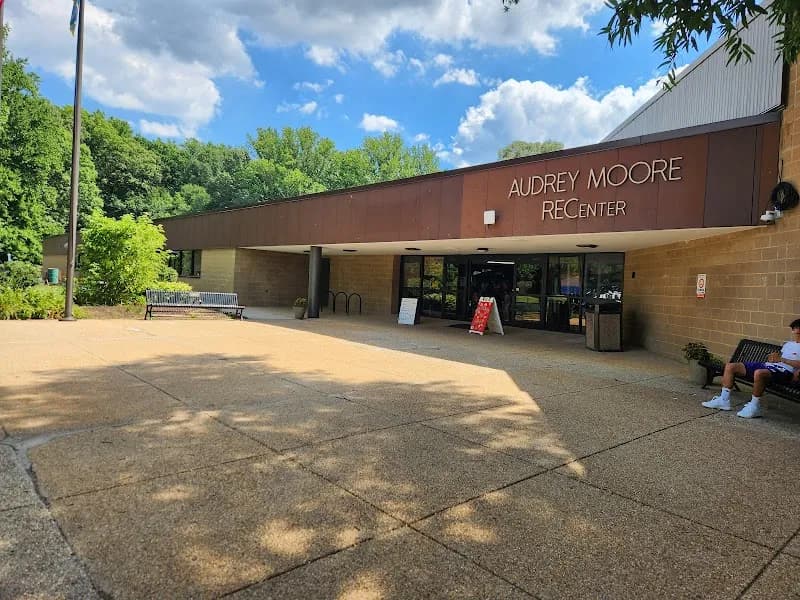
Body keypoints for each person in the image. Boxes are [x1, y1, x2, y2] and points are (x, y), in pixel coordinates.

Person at [702, 319, 800, 418]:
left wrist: (783, 360)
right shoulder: (788, 344)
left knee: (759, 373)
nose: (797, 330)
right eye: (795, 328)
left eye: (798, 328)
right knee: (731, 366)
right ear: (792, 330)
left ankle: (754, 407)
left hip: (784, 372)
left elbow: (787, 362)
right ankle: (723, 400)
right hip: (768, 366)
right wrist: (773, 358)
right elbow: (778, 359)